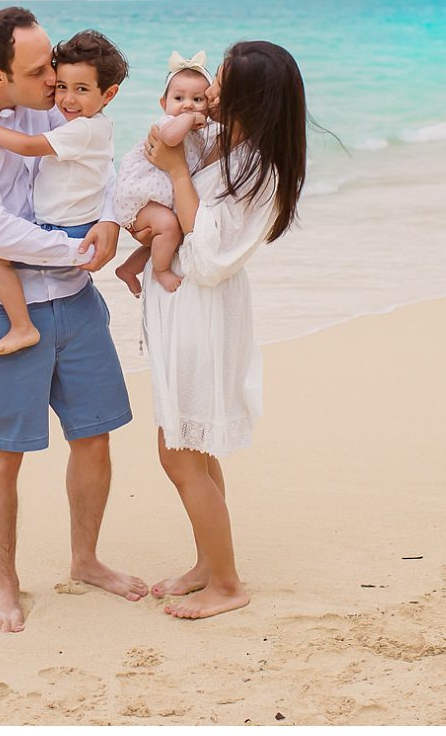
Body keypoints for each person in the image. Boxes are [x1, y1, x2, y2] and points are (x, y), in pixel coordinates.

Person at [0, 6, 149, 633]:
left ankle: (86, 561)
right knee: (4, 452)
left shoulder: (51, 92)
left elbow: (93, 158)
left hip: (75, 300)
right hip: (5, 307)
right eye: (39, 71)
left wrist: (107, 220)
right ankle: (5, 585)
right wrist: (79, 252)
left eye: (53, 63)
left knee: (95, 433)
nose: (54, 80)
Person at [138, 40, 309, 620]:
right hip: (189, 307)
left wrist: (176, 169)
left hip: (203, 311)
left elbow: (208, 254)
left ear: (245, 96)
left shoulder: (256, 167)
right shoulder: (225, 147)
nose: (207, 89)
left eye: (219, 81)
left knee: (180, 451)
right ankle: (210, 564)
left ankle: (229, 583)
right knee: (198, 447)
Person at [0, 30, 127, 356]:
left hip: (67, 229)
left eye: (81, 90)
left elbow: (31, 146)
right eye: (62, 86)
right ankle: (24, 325)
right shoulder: (78, 119)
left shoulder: (83, 127)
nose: (66, 98)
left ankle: (22, 327)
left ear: (109, 94)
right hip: (67, 225)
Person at [112, 51, 213, 298]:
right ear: (163, 103)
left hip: (160, 200)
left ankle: (128, 269)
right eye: (179, 98)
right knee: (168, 227)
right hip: (141, 198)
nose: (188, 104)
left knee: (170, 236)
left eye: (198, 99)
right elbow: (170, 138)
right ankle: (161, 270)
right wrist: (190, 117)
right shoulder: (169, 122)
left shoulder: (198, 132)